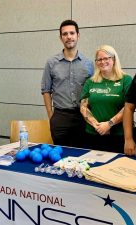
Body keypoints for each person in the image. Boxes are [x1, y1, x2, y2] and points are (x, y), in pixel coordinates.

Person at [41, 20, 94, 148]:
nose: (69, 36)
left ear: (78, 35)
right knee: (60, 156)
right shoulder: (51, 63)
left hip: (83, 117)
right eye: (65, 34)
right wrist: (51, 115)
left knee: (82, 155)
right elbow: (46, 90)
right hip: (60, 117)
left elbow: (93, 90)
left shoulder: (88, 63)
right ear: (61, 38)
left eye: (72, 33)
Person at [80, 45, 132, 153]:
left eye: (106, 58)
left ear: (114, 59)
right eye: (99, 59)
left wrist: (109, 124)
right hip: (93, 134)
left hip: (118, 135)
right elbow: (83, 106)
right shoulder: (90, 82)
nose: (102, 62)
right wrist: (97, 126)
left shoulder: (126, 80)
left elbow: (129, 107)